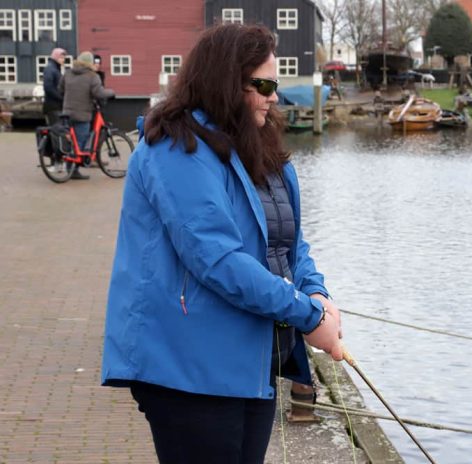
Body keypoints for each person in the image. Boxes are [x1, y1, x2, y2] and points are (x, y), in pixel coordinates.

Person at [101, 23, 343, 464]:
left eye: (277, 83)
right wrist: (309, 317)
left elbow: (289, 245)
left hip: (250, 362)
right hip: (189, 368)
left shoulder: (260, 149)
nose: (274, 96)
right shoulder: (175, 149)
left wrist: (316, 291)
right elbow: (217, 259)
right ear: (228, 83)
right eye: (264, 84)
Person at [59, 51, 114, 180]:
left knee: (71, 140)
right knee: (81, 140)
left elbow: (60, 89)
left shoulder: (67, 73)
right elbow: (99, 93)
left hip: (66, 112)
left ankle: (69, 167)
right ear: (90, 62)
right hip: (82, 114)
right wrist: (111, 92)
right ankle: (74, 170)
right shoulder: (92, 76)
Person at [42, 48, 66, 125]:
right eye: (61, 58)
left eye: (64, 58)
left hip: (56, 105)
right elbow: (48, 87)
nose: (63, 60)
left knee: (57, 129)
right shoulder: (50, 69)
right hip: (53, 106)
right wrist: (61, 98)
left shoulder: (55, 69)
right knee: (56, 128)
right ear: (55, 57)